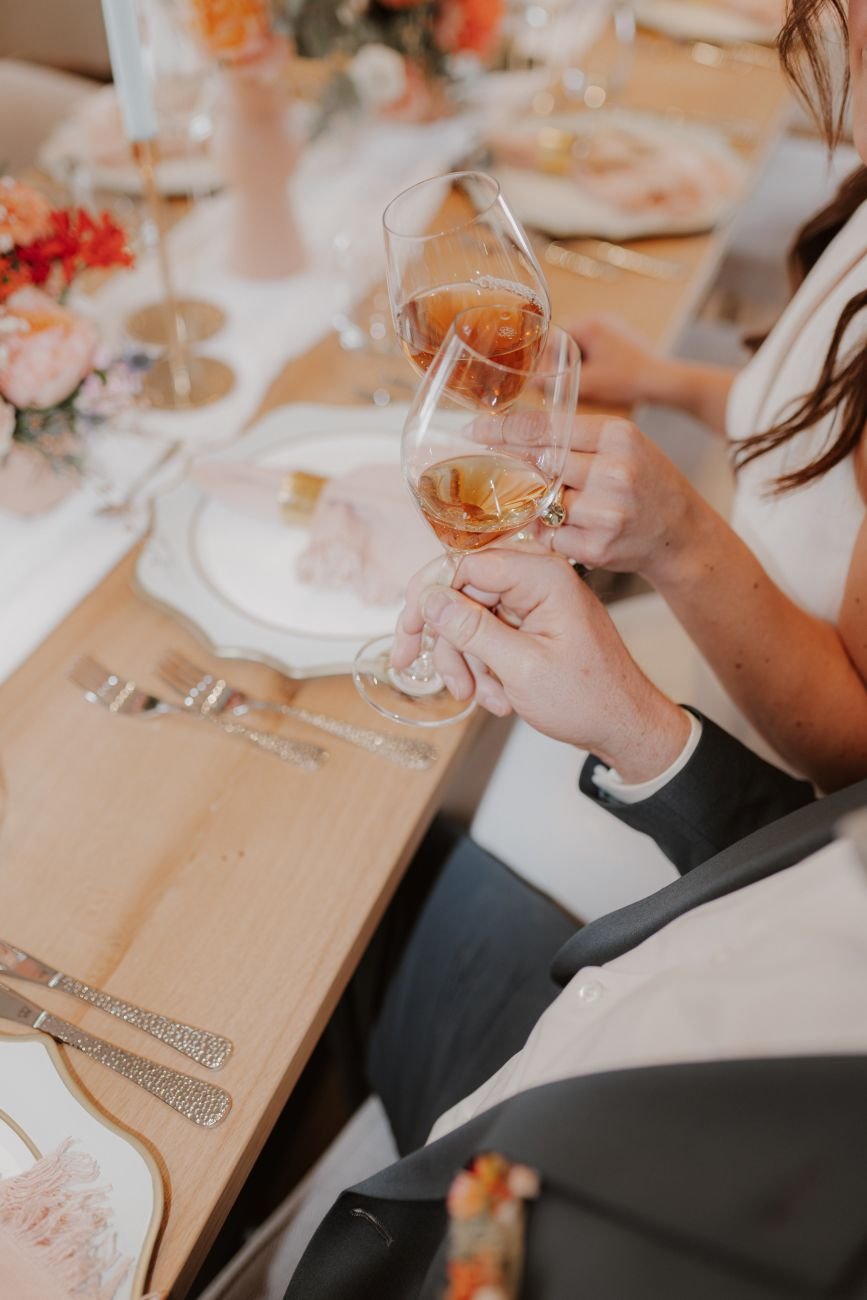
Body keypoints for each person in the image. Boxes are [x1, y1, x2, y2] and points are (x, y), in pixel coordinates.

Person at [280, 549, 867, 1298]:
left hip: (475, 1234)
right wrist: (633, 725)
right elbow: (812, 871)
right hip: (556, 1039)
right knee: (370, 860)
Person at [459, 0, 867, 919]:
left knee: (464, 802)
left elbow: (852, 756)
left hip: (770, 794)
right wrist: (669, 378)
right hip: (724, 627)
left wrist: (678, 538)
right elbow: (823, 437)